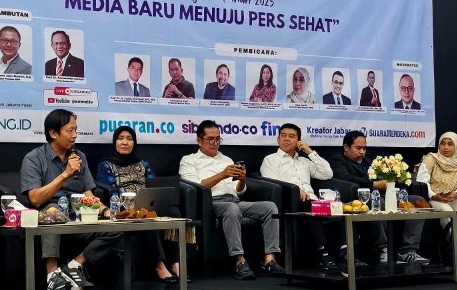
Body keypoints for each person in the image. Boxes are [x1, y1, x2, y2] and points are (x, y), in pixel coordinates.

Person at [21, 110, 121, 290]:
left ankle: (73, 266)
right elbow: (34, 198)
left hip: (79, 214)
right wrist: (66, 174)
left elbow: (88, 194)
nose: (75, 135)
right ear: (53, 133)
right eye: (69, 131)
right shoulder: (33, 158)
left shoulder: (79, 156)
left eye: (76, 130)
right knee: (53, 210)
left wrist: (105, 210)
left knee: (116, 227)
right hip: (47, 214)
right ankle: (52, 275)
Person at [179, 120, 284, 279]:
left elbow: (239, 191)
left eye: (218, 139)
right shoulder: (188, 160)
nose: (215, 143)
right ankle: (239, 261)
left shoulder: (226, 159)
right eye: (210, 139)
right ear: (199, 141)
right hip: (212, 204)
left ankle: (269, 260)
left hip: (234, 201)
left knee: (270, 207)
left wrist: (242, 179)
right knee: (231, 208)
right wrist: (222, 174)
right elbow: (196, 186)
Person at [330, 130, 429, 265]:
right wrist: (373, 184)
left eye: (364, 148)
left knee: (418, 201)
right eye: (358, 148)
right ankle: (383, 250)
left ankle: (408, 250)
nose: (362, 152)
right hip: (359, 199)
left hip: (384, 195)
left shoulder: (368, 161)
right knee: (378, 202)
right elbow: (345, 178)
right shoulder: (338, 160)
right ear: (346, 147)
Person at [97, 126, 181, 282]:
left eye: (129, 139)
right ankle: (159, 266)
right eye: (121, 138)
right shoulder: (106, 165)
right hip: (124, 207)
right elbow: (109, 189)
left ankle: (175, 263)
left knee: (173, 212)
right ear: (115, 142)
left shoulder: (143, 163)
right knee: (144, 215)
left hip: (147, 203)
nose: (125, 142)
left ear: (134, 143)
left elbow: (153, 184)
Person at [261, 123, 345, 273]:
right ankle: (322, 254)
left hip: (313, 201)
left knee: (339, 207)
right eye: (283, 136)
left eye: (292, 136)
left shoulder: (304, 161)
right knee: (309, 206)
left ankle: (345, 251)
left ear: (298, 141)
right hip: (292, 202)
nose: (287, 139)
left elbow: (327, 174)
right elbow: (271, 182)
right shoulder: (270, 160)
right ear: (278, 139)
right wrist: (295, 189)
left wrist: (310, 152)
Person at [416, 132, 457, 227]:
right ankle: (449, 236)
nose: (445, 147)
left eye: (450, 144)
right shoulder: (430, 159)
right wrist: (434, 196)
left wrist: (456, 194)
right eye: (442, 143)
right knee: (446, 210)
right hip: (433, 199)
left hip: (453, 198)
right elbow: (422, 182)